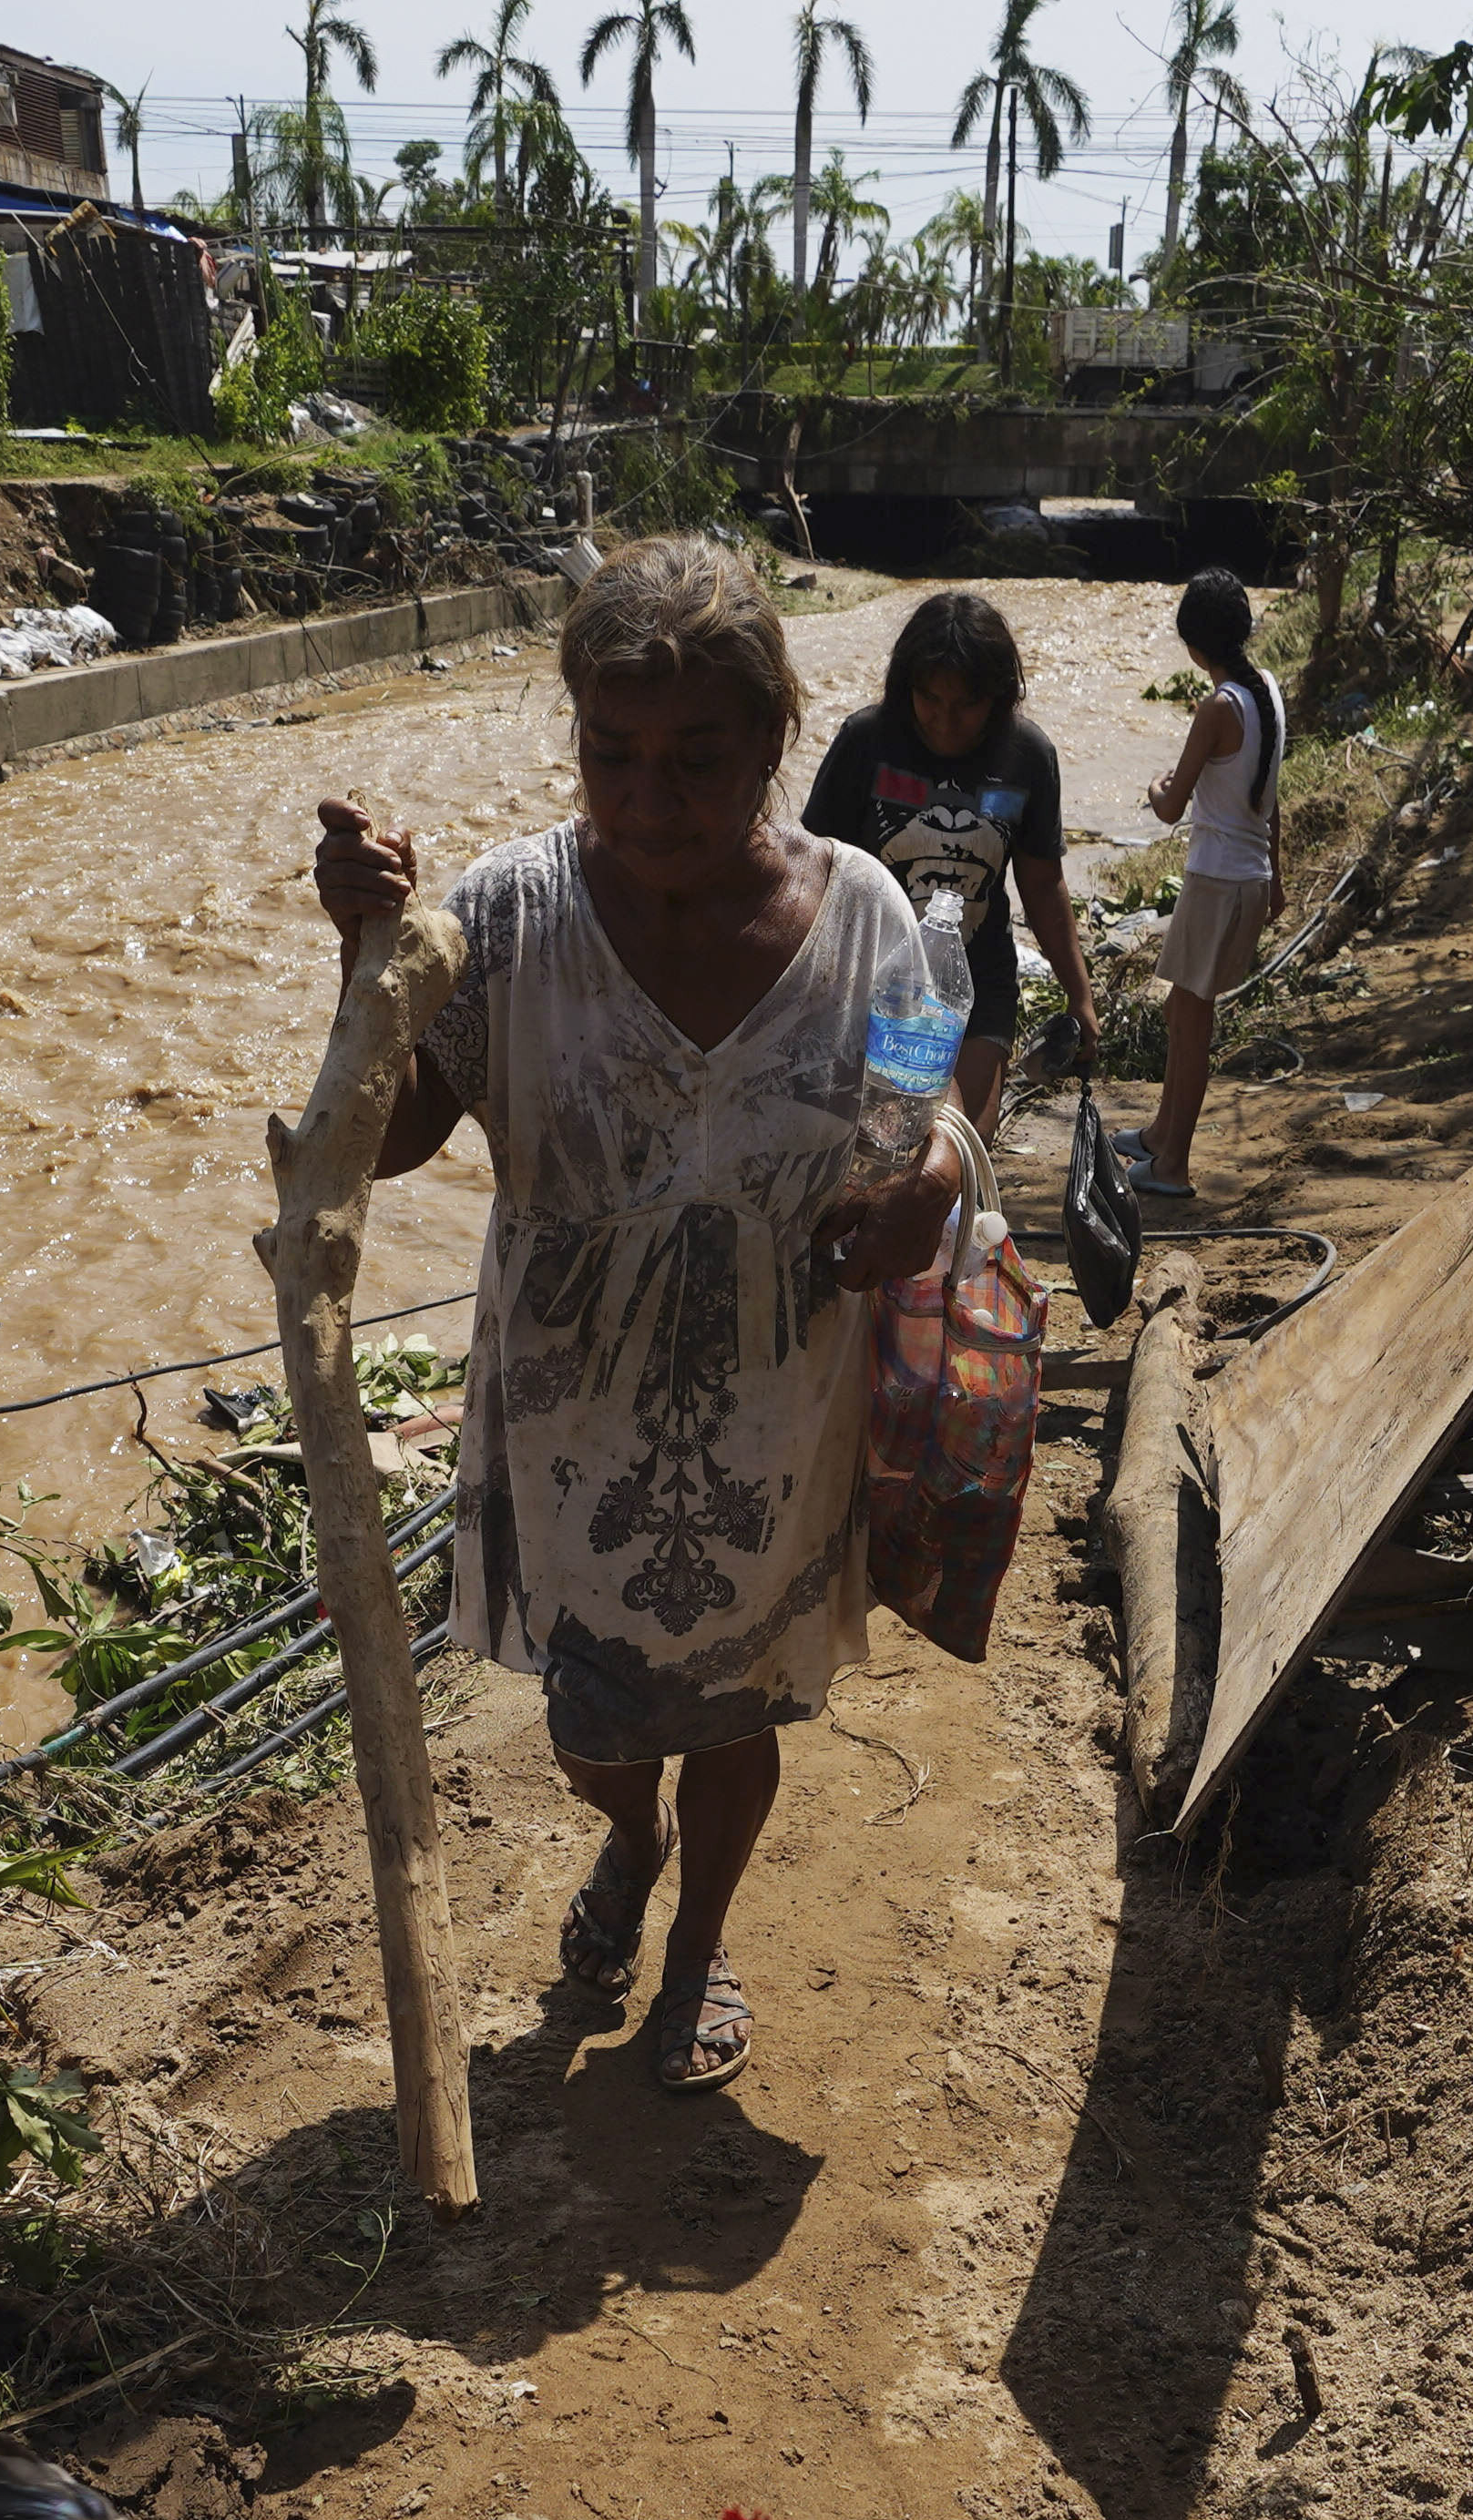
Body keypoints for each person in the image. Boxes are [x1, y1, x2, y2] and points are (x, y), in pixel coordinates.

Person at [307, 536, 977, 2098]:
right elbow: (393, 1139)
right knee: (601, 1725)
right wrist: (375, 964)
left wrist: (929, 1183)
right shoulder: (512, 913)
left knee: (739, 1702)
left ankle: (701, 1944)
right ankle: (628, 1844)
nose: (653, 800)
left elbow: (922, 1115)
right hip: (569, 1416)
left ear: (774, 747)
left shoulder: (877, 914)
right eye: (614, 757)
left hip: (775, 1392)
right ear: (575, 743)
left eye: (699, 760)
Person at [795, 588, 1095, 1133]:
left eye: (966, 705)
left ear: (999, 698)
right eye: (930, 698)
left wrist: (1080, 995)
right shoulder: (867, 742)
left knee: (956, 1142)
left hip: (975, 983)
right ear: (906, 687)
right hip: (869, 983)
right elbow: (812, 870)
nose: (945, 720)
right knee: (871, 1147)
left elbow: (1043, 884)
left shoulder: (1027, 757)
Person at [1133, 569, 1282, 1201]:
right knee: (1180, 1009)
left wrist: (1154, 787)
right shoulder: (1266, 690)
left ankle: (1172, 1168)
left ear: (1193, 645)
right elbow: (1272, 799)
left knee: (1192, 1021)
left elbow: (1171, 807)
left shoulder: (1219, 705)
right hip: (1246, 877)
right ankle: (1159, 1136)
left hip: (1217, 880)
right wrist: (1281, 880)